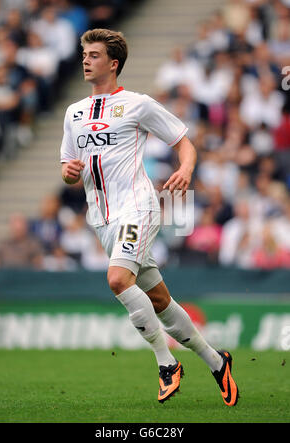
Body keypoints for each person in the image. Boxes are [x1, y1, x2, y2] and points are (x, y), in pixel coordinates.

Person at [60, 28, 239, 406]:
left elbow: (183, 141)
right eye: (84, 54)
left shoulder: (137, 104)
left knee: (117, 279)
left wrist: (186, 169)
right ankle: (215, 360)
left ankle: (166, 362)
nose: (85, 60)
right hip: (102, 220)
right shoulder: (73, 112)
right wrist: (70, 173)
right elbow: (66, 167)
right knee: (158, 298)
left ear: (113, 63)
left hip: (138, 206)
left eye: (93, 55)